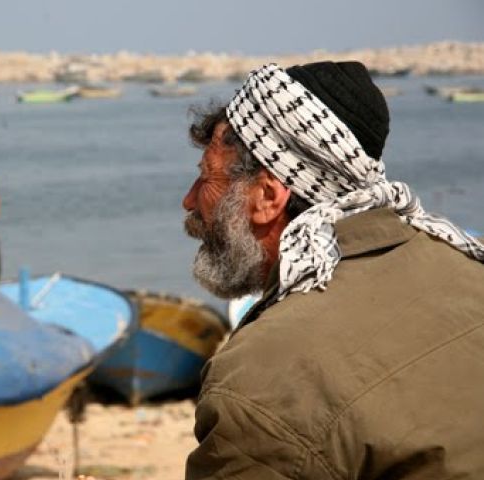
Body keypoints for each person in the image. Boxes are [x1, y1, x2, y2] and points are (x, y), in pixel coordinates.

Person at [182, 61, 484, 479]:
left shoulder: (265, 375)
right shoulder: (465, 269)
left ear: (267, 197)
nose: (189, 201)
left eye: (205, 178)